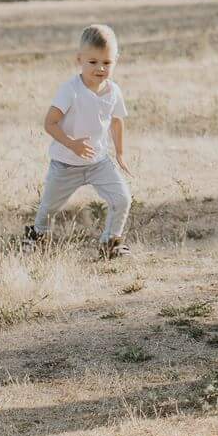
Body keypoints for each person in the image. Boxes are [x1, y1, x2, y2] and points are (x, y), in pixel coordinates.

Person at [24, 23, 133, 259]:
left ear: (116, 60)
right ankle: (37, 237)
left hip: (98, 162)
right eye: (93, 62)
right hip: (65, 164)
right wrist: (71, 143)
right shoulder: (70, 90)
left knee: (123, 199)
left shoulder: (113, 91)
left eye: (107, 62)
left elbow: (117, 121)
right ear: (79, 59)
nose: (100, 68)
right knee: (49, 207)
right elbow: (49, 123)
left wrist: (120, 153)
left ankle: (111, 243)